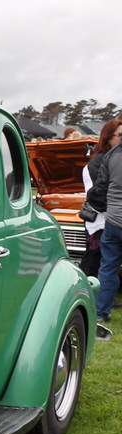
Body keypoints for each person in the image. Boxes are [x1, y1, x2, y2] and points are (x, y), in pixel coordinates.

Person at [86, 121, 122, 337]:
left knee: (108, 266)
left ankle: (101, 312)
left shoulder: (110, 157)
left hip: (114, 220)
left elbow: (99, 190)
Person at [80, 120, 122, 278]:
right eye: (120, 135)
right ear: (108, 137)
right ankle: (87, 296)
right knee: (93, 261)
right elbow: (96, 196)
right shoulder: (97, 163)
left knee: (110, 262)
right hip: (98, 222)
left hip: (113, 220)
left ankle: (105, 298)